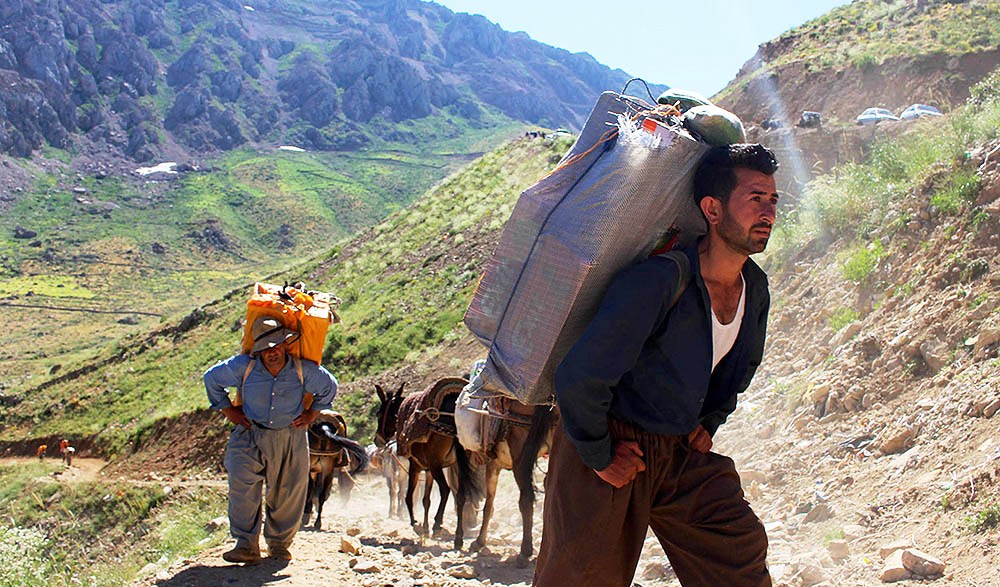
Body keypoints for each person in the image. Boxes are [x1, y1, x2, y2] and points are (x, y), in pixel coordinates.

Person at [533, 143, 780, 587]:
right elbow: (578, 376)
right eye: (755, 199)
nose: (768, 212)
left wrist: (711, 418)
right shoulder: (661, 280)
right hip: (611, 445)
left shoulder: (754, 288)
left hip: (678, 451)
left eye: (773, 200)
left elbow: (739, 369)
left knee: (736, 549)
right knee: (582, 578)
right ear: (713, 209)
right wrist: (599, 454)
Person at [205, 316, 338, 564]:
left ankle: (278, 545)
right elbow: (211, 379)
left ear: (285, 344)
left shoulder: (302, 370)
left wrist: (312, 414)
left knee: (287, 491)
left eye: (276, 345)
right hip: (250, 433)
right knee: (242, 485)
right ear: (257, 350)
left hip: (290, 435)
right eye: (265, 348)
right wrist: (228, 410)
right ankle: (246, 545)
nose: (271, 352)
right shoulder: (243, 366)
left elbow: (329, 386)